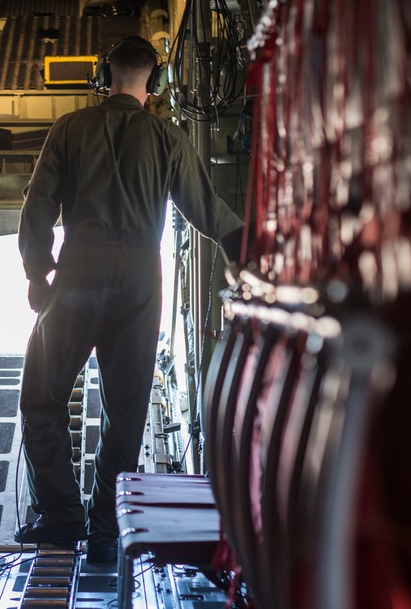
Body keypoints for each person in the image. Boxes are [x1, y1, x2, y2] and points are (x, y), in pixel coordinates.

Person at [14, 35, 243, 564]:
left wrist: (36, 273)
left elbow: (39, 205)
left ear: (102, 75)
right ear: (157, 82)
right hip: (141, 276)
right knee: (126, 409)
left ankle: (63, 517)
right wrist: (246, 251)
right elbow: (207, 210)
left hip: (79, 269)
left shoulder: (70, 128)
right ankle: (102, 530)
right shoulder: (167, 138)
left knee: (43, 398)